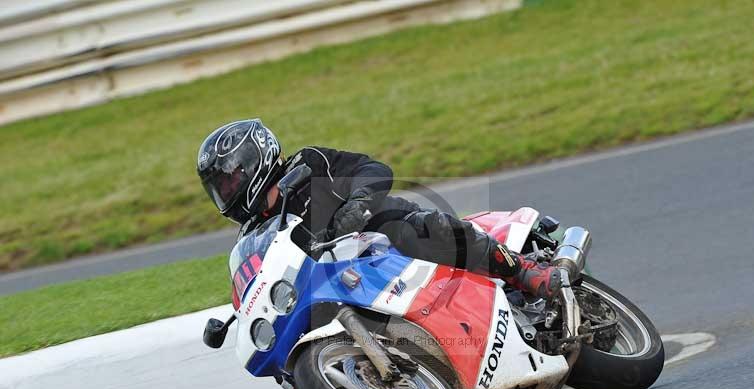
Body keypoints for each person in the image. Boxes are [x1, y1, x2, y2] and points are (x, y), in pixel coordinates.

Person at [197, 119, 560, 299]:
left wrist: (357, 204)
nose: (226, 192)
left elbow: (374, 170)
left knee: (415, 231)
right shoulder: (255, 235)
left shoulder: (308, 165)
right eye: (220, 188)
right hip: (344, 281)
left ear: (253, 161)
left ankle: (523, 270)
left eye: (228, 181)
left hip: (382, 232)